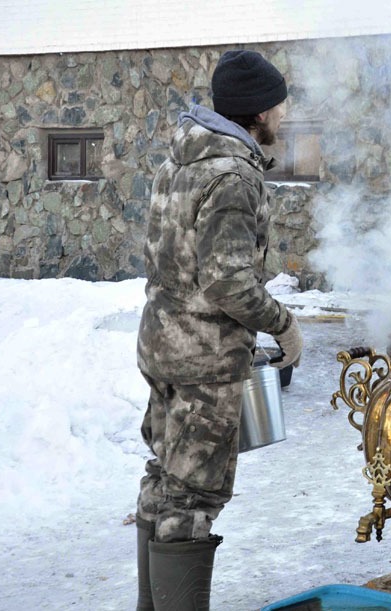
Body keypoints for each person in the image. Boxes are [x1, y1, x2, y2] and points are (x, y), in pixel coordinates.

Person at [134, 50, 303, 611]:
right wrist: (284, 326)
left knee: (164, 481)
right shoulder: (232, 176)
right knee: (191, 498)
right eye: (279, 105)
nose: (283, 114)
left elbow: (167, 259)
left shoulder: (177, 162)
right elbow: (227, 282)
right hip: (203, 360)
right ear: (258, 112)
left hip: (162, 346)